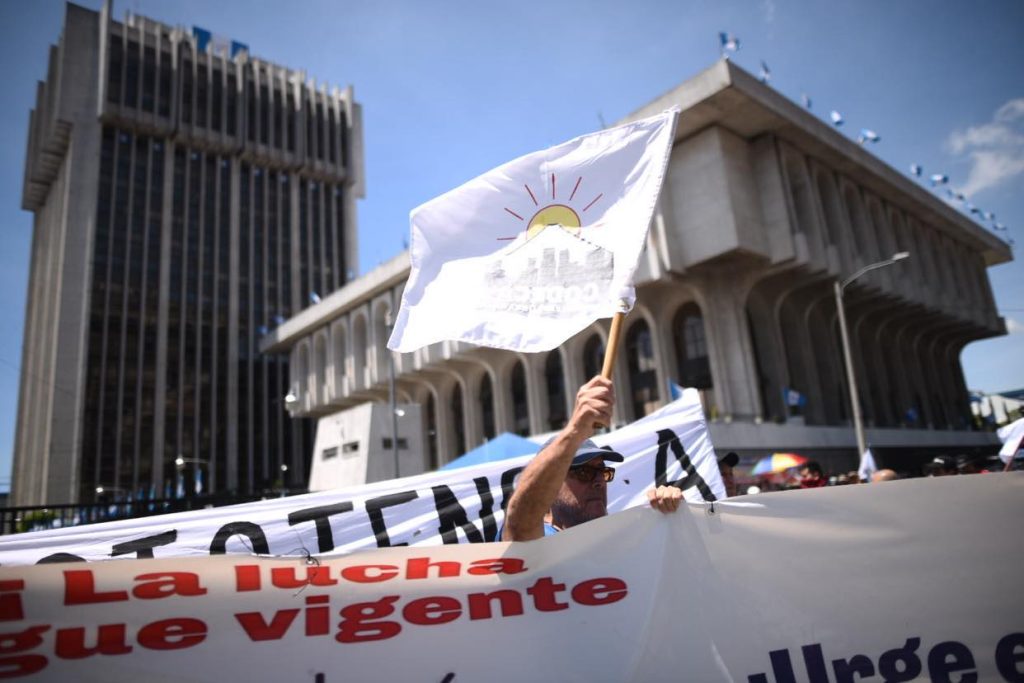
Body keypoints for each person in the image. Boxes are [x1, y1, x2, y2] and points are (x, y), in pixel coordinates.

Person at [502, 376, 683, 541]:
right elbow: (519, 522)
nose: (599, 482)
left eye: (602, 471)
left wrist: (670, 513)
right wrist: (575, 430)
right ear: (551, 487)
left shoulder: (618, 540)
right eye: (583, 472)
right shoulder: (538, 541)